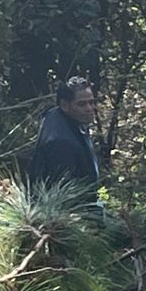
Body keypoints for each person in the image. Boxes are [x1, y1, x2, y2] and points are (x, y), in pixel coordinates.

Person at [28, 76, 102, 206]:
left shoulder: (60, 118)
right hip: (65, 215)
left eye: (91, 102)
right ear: (64, 105)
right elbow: (62, 194)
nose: (89, 108)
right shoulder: (61, 142)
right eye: (81, 104)